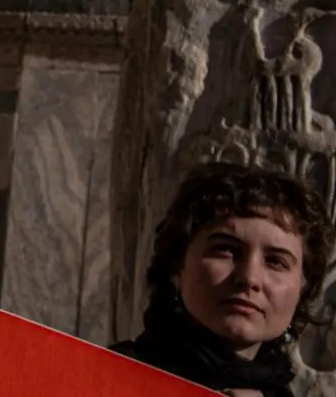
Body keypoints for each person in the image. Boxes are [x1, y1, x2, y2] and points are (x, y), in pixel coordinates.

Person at [109, 163, 319, 394]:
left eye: (276, 261)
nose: (249, 278)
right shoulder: (105, 376)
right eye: (226, 250)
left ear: (302, 288)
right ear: (176, 265)